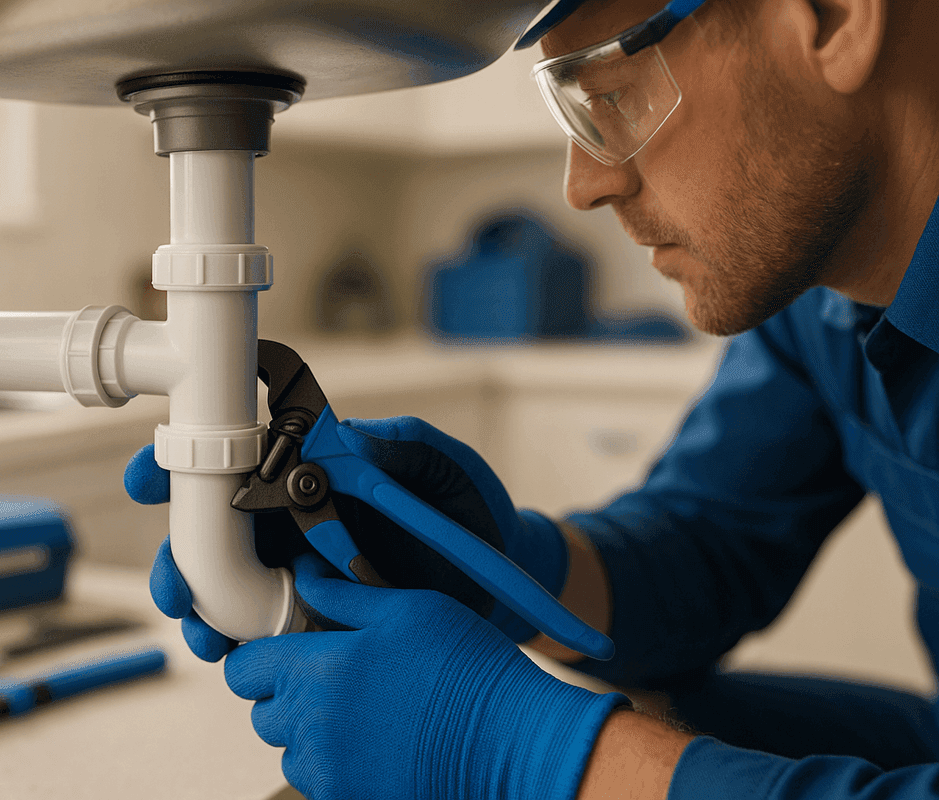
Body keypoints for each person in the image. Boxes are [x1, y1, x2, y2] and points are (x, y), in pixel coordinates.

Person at [124, 0, 939, 794]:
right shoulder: (820, 306)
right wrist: (501, 562)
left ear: (836, 15)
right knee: (650, 719)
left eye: (612, 93)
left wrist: (531, 757)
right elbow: (710, 549)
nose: (582, 186)